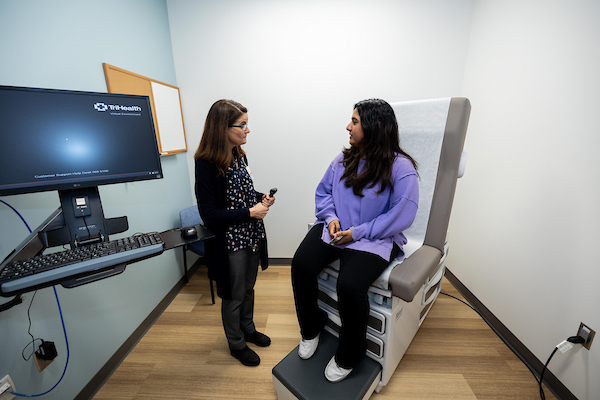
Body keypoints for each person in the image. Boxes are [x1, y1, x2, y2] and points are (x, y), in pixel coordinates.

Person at [291, 98, 419, 382]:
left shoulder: (401, 168)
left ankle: (350, 354)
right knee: (301, 264)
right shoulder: (343, 159)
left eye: (355, 121)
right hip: (336, 228)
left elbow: (402, 215)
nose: (348, 126)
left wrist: (357, 233)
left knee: (349, 285)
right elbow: (324, 192)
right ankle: (311, 328)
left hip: (373, 237)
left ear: (374, 126)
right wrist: (331, 217)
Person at [194, 99, 275, 367]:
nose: (247, 130)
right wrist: (250, 212)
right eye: (242, 125)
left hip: (250, 235)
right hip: (229, 242)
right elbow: (210, 215)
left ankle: (247, 329)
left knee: (248, 288)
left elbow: (241, 193)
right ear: (222, 128)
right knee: (233, 294)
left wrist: (259, 197)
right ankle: (236, 343)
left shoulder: (239, 156)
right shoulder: (206, 164)